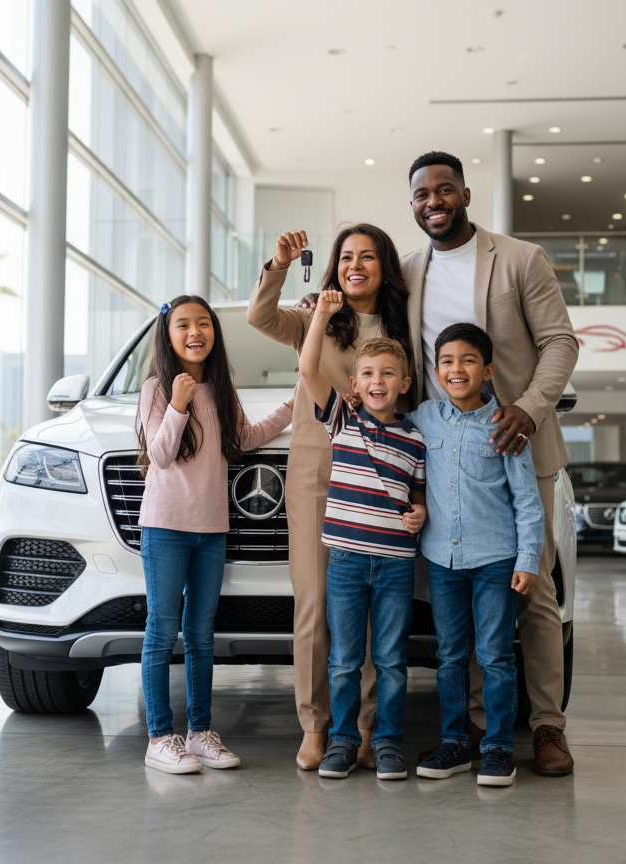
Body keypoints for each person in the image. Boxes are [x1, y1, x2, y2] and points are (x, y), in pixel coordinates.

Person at [402, 151, 579, 776]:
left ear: (466, 194)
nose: (434, 202)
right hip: (449, 454)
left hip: (518, 443)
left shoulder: (520, 258)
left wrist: (528, 408)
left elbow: (561, 340)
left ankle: (547, 726)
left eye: (444, 190)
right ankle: (478, 729)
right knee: (464, 608)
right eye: (422, 194)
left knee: (531, 593)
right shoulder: (407, 271)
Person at [247, 225, 415, 770]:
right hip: (318, 468)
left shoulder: (404, 324)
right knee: (316, 603)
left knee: (373, 612)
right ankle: (315, 725)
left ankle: (364, 730)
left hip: (384, 475)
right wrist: (277, 264)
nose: (355, 264)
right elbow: (260, 319)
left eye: (368, 256)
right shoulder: (313, 314)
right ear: (335, 265)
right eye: (346, 256)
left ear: (385, 266)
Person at [136, 295, 293, 774]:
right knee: (162, 631)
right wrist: (178, 405)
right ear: (168, 334)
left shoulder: (221, 390)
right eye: (183, 324)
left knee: (201, 635)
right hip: (165, 526)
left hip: (212, 529)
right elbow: (160, 456)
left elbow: (244, 438)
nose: (195, 331)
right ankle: (160, 737)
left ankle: (200, 733)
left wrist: (293, 405)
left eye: (203, 323)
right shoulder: (156, 389)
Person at [296, 287, 427, 781]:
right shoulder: (341, 420)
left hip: (395, 564)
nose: (378, 381)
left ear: (404, 383)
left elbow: (418, 495)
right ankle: (343, 742)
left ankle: (387, 741)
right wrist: (323, 315)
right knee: (346, 659)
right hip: (347, 561)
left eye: (388, 374)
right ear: (354, 383)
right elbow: (309, 370)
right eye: (369, 374)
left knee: (391, 661)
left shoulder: (414, 438)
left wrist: (418, 513)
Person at [408, 323, 544, 787]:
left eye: (467, 360)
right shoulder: (424, 417)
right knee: (449, 655)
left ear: (487, 369)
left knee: (495, 655)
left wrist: (528, 560)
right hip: (442, 561)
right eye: (446, 361)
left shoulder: (506, 425)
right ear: (436, 369)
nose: (456, 369)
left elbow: (527, 501)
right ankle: (454, 743)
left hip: (495, 560)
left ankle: (499, 748)